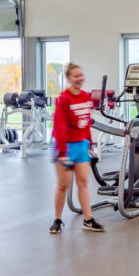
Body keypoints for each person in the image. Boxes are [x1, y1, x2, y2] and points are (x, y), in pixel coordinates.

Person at [51, 62, 104, 235]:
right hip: (65, 146)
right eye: (76, 76)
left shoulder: (85, 97)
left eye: (81, 75)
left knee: (83, 182)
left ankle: (88, 220)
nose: (80, 79)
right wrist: (63, 152)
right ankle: (57, 219)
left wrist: (90, 144)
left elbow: (86, 123)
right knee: (63, 185)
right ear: (68, 79)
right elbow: (59, 126)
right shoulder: (63, 99)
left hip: (81, 144)